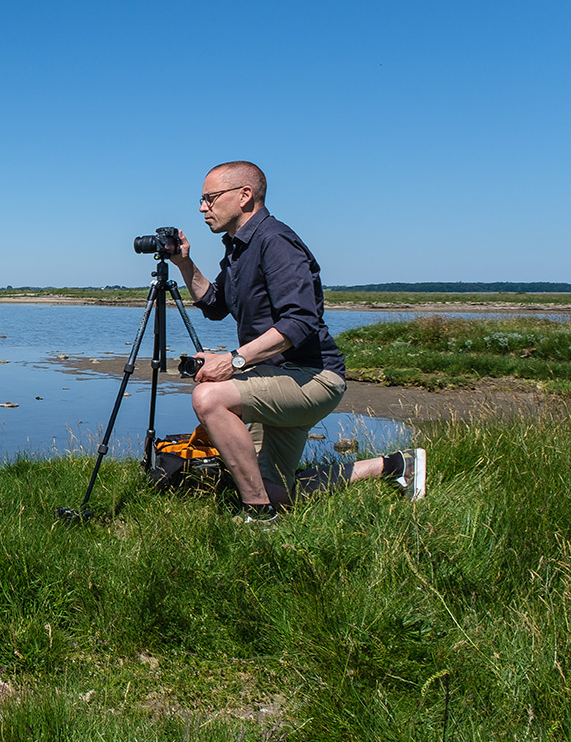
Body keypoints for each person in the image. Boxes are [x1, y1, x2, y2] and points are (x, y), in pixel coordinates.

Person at [168, 160, 426, 522]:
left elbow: (300, 321)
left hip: (312, 377)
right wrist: (185, 264)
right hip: (273, 378)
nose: (202, 208)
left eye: (210, 198)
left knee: (209, 397)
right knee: (277, 491)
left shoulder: (275, 241)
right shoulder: (239, 247)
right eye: (201, 199)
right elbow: (214, 306)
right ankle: (394, 464)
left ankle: (260, 516)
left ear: (244, 196)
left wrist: (233, 360)